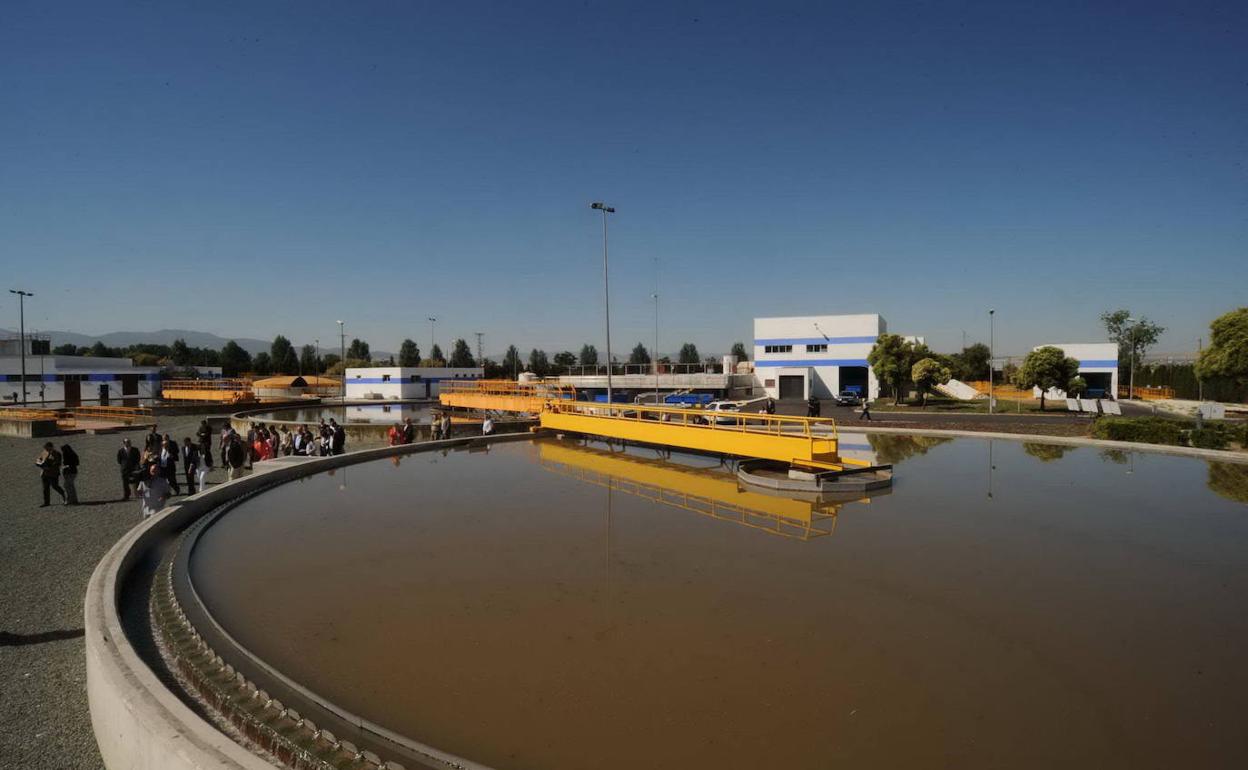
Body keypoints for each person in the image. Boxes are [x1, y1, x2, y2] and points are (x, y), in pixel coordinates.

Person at [35, 442, 66, 507]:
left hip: (53, 473)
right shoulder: (44, 452)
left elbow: (58, 463)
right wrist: (39, 462)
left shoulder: (57, 454)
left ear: (51, 447)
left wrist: (49, 466)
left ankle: (64, 495)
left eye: (47, 448)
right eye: (45, 448)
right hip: (44, 473)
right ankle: (46, 502)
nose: (46, 449)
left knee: (55, 486)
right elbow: (39, 459)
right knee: (45, 488)